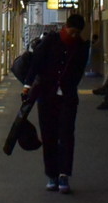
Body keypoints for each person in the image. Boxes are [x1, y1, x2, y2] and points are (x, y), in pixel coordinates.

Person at [21, 12, 89, 193]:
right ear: (66, 27)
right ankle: (52, 174)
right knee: (49, 135)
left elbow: (78, 72)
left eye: (77, 33)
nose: (74, 36)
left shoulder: (81, 47)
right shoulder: (50, 41)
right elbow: (36, 64)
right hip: (46, 96)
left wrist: (67, 85)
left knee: (66, 135)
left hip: (68, 97)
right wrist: (27, 85)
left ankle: (64, 175)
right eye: (72, 32)